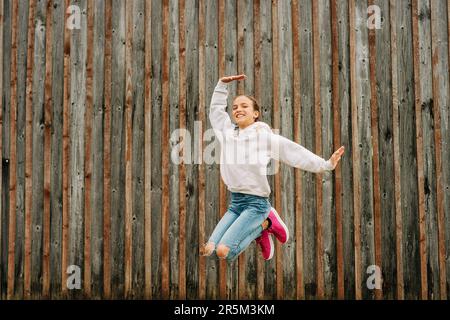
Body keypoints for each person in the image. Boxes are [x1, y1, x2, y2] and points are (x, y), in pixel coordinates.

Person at [200, 74, 345, 262]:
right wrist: (221, 85)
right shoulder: (227, 134)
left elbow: (294, 152)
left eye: (244, 106)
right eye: (235, 107)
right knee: (208, 248)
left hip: (256, 204)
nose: (238, 109)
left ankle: (265, 224)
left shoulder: (264, 138)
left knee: (223, 252)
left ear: (255, 113)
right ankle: (261, 228)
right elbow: (216, 112)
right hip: (236, 202)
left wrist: (325, 165)